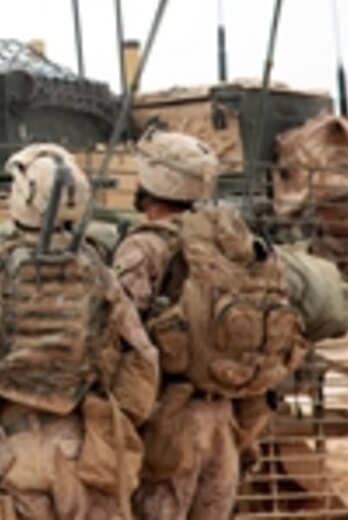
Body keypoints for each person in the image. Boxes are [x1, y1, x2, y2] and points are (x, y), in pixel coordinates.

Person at [0, 144, 159, 519]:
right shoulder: (100, 276)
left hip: (20, 445)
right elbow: (144, 354)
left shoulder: (1, 273)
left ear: (21, 196)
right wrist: (120, 417)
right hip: (84, 443)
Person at [111, 128, 306, 519]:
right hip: (229, 419)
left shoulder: (145, 246)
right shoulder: (235, 242)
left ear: (152, 180)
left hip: (170, 421)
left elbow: (118, 332)